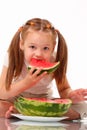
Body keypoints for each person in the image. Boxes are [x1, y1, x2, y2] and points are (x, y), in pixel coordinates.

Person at [0, 18, 87, 119]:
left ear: (53, 47)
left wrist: (71, 95)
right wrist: (26, 82)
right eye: (32, 47)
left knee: (83, 106)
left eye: (45, 48)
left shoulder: (55, 59)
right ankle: (34, 112)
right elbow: (2, 92)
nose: (39, 54)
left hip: (44, 99)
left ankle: (22, 112)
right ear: (22, 44)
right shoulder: (13, 56)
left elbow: (64, 89)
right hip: (16, 99)